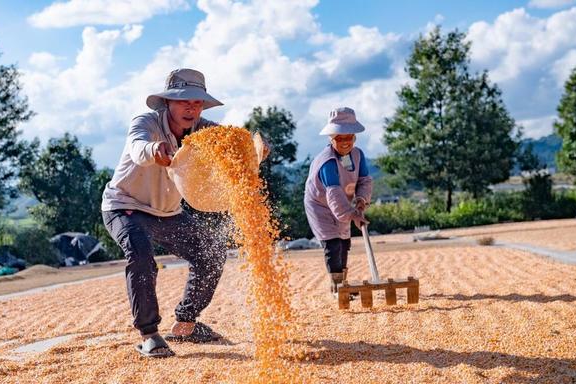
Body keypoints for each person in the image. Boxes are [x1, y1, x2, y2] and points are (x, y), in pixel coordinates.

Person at [101, 68, 268, 358]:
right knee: (140, 253)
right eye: (183, 101)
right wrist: (154, 150)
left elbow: (238, 146)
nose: (191, 107)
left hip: (167, 211)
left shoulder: (207, 131)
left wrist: (255, 152)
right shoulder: (146, 122)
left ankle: (186, 324)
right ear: (168, 102)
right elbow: (137, 146)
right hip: (126, 205)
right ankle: (150, 334)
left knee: (211, 251)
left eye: (197, 102)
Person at [303, 107, 373, 296]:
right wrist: (352, 216)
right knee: (332, 243)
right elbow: (333, 194)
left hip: (343, 202)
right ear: (331, 138)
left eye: (348, 137)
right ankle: (337, 288)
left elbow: (364, 180)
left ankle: (344, 285)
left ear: (354, 137)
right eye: (339, 138)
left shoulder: (358, 155)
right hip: (320, 205)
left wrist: (360, 202)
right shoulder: (327, 162)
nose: (344, 142)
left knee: (344, 242)